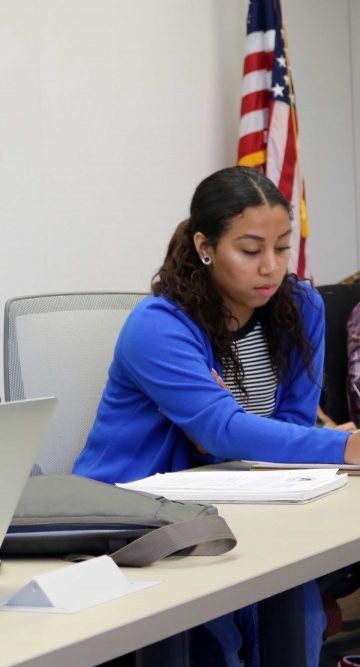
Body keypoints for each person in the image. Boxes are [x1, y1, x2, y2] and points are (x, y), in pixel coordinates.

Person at [73, 166, 360, 666]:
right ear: (206, 247)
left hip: (240, 505)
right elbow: (221, 430)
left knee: (297, 605)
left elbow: (284, 427)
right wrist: (343, 446)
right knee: (219, 640)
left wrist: (230, 441)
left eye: (282, 247)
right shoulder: (158, 325)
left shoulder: (301, 308)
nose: (270, 266)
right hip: (134, 519)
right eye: (250, 251)